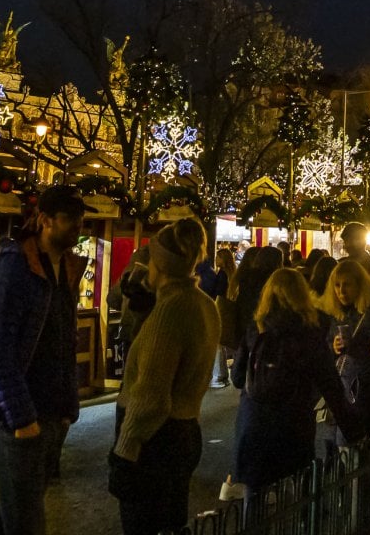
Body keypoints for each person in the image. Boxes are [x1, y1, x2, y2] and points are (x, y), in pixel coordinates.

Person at [0, 185, 87, 535]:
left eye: (80, 219)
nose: (78, 226)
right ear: (46, 221)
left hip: (45, 412)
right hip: (11, 416)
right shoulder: (14, 270)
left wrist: (67, 407)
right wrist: (21, 418)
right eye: (70, 219)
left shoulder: (63, 270)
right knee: (27, 520)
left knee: (16, 512)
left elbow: (64, 340)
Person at [109, 218, 220, 535]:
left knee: (143, 523)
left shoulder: (170, 311)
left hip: (155, 442)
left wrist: (126, 448)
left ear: (160, 265)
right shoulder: (204, 304)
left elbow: (151, 395)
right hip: (185, 430)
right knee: (171, 520)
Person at [231, 268, 358, 502]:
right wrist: (351, 427)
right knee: (299, 493)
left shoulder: (256, 329)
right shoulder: (309, 334)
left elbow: (238, 378)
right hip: (293, 423)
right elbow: (330, 384)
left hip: (254, 423)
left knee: (254, 495)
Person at [321, 259, 370, 443]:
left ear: (359, 285)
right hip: (342, 385)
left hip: (366, 387)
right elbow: (329, 343)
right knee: (336, 444)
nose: (341, 291)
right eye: (337, 285)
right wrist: (333, 346)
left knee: (355, 444)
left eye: (347, 285)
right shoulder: (338, 312)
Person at [208, 246, 237, 389]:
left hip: (220, 308)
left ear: (223, 259)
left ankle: (218, 375)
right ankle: (223, 375)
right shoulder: (233, 273)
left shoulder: (221, 274)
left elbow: (218, 292)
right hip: (230, 309)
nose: (215, 259)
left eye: (218, 257)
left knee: (218, 343)